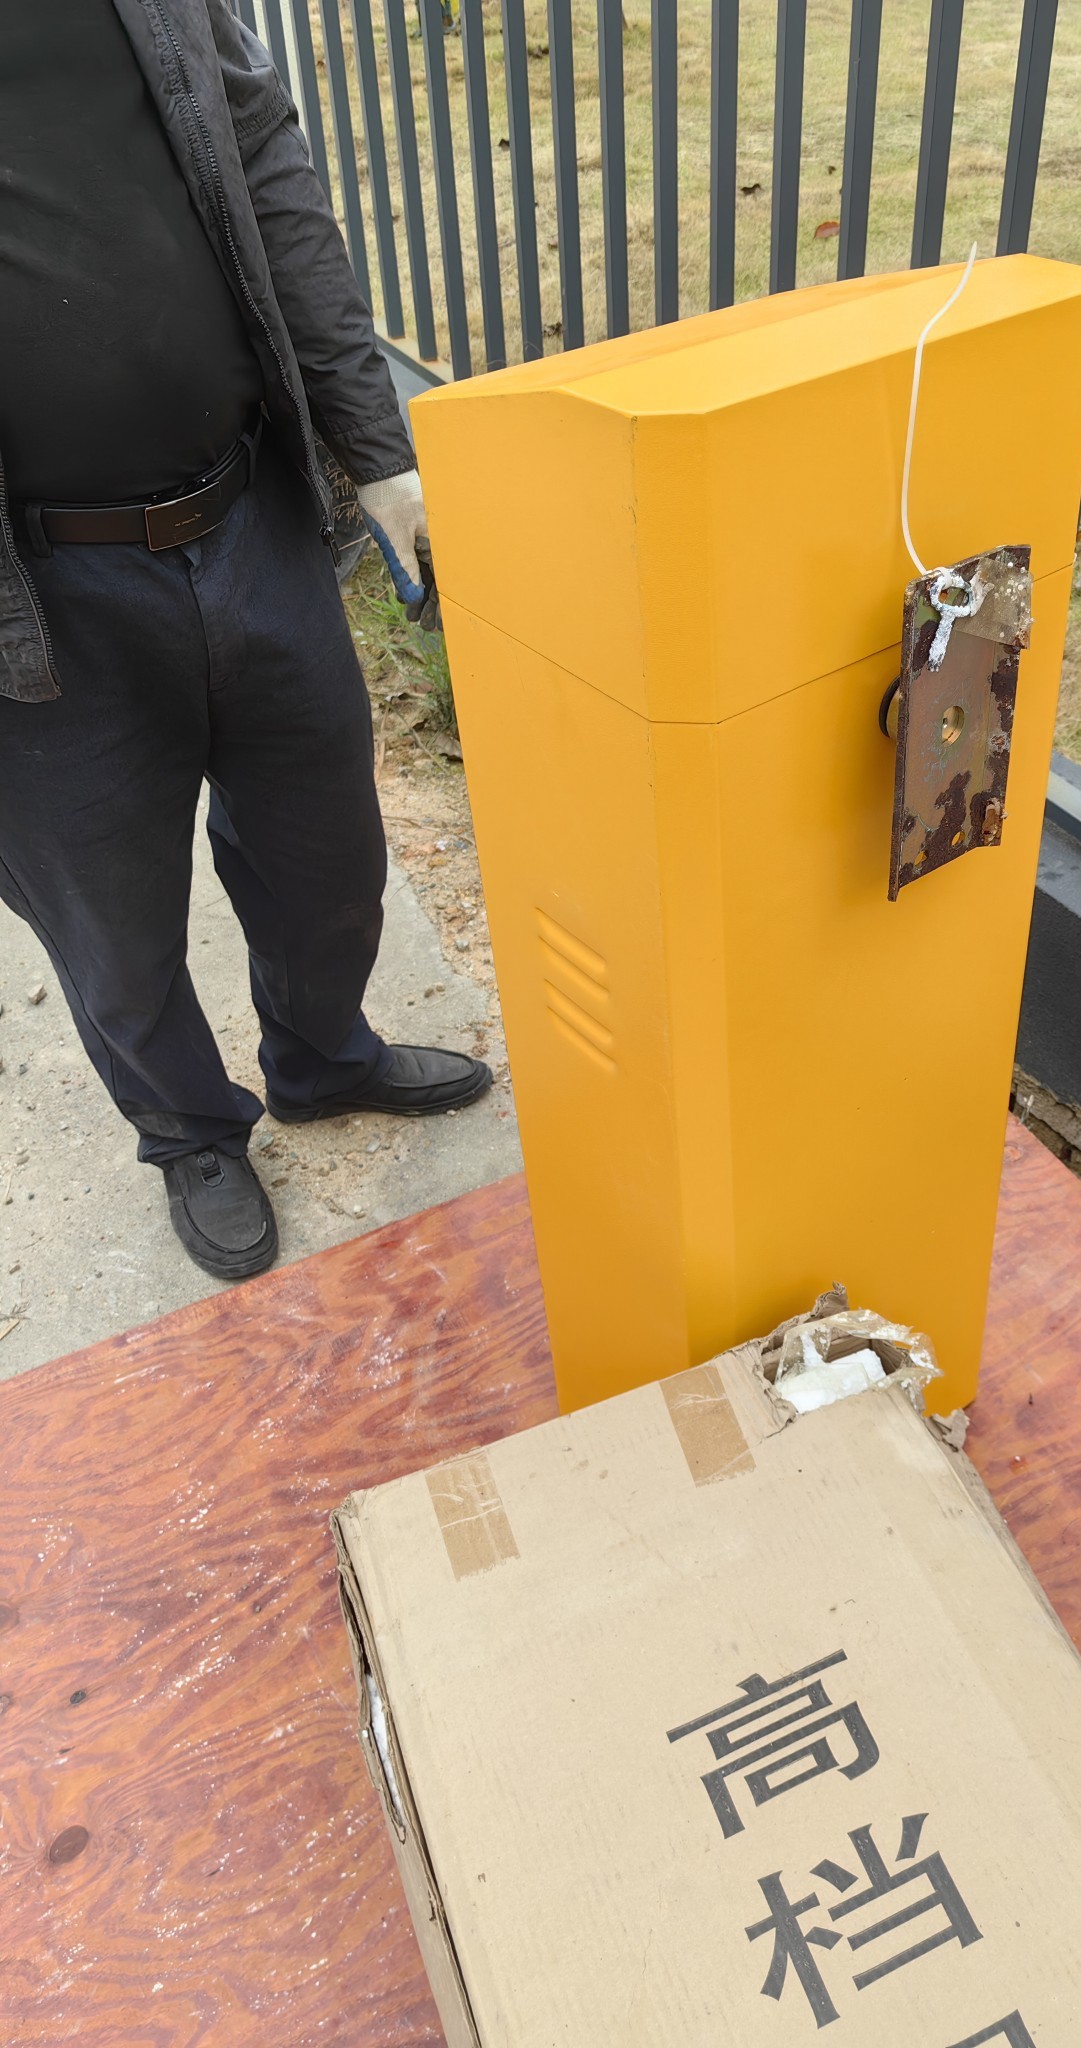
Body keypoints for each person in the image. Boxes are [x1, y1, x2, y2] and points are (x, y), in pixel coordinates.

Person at [0, 0, 491, 1282]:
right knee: (111, 924)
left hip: (247, 510)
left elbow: (262, 155)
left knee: (327, 852)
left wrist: (375, 446)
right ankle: (189, 1128)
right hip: (39, 598)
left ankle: (323, 1058)